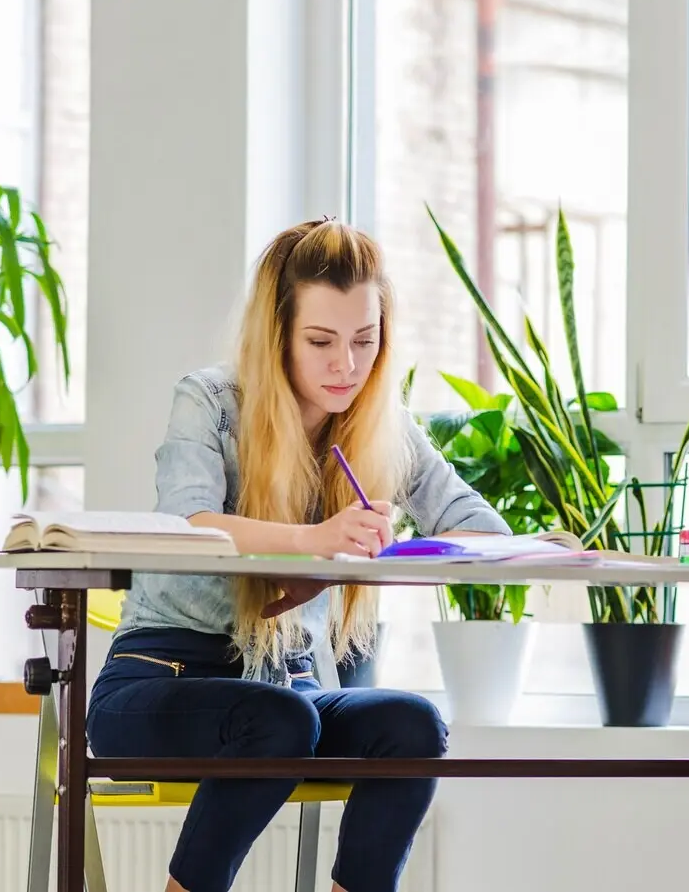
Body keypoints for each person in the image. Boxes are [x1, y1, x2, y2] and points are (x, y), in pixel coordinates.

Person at [86, 218, 512, 892]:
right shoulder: (210, 401)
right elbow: (188, 520)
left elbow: (474, 524)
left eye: (364, 340)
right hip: (157, 681)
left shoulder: (380, 423)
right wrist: (317, 542)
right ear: (276, 334)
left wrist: (534, 548)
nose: (346, 364)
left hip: (291, 692)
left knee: (412, 725)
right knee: (279, 719)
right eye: (321, 341)